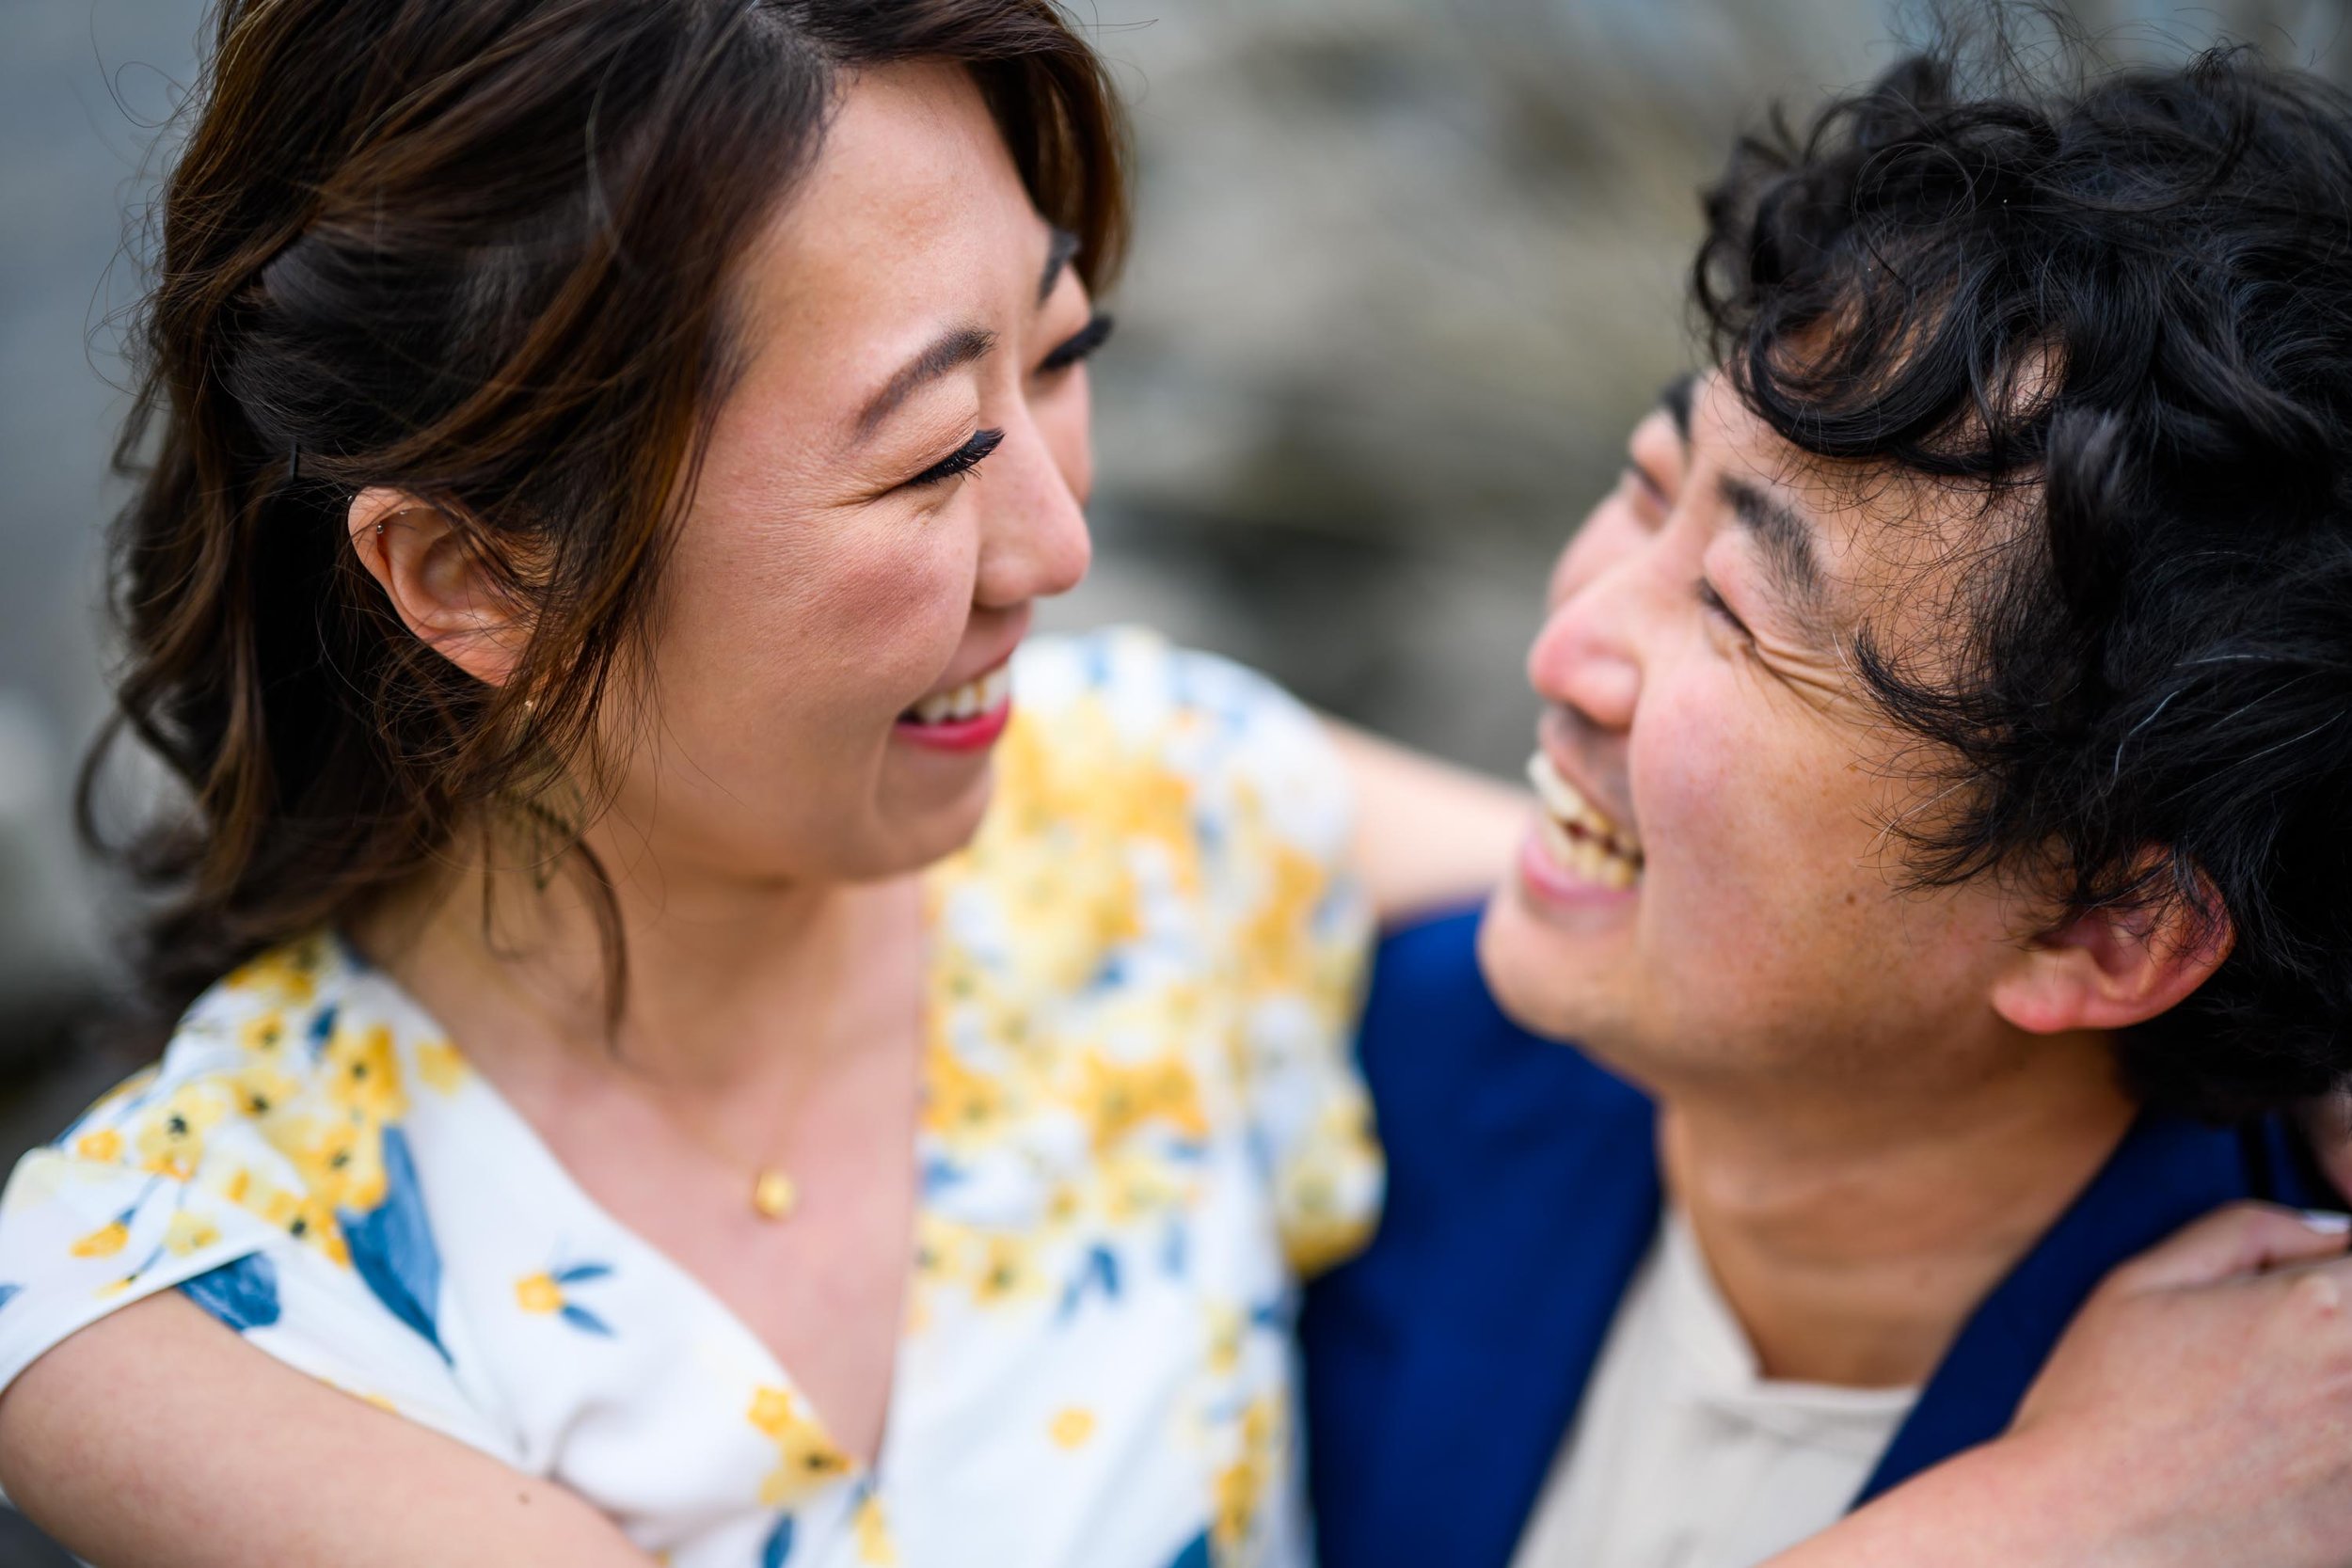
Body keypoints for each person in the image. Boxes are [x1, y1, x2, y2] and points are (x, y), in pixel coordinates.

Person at [0, 4, 2344, 1565]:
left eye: (1064, 359)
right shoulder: (171, 1297)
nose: (1059, 542)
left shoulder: (1147, 825)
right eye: (930, 453)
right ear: (473, 577)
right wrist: (2053, 1520)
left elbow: (1822, 911)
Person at [1302, 39, 2352, 1568]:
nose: (1570, 647)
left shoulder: (2287, 1452)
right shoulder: (1360, 1070)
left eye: (1732, 611)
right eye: (1654, 486)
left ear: (2107, 924)